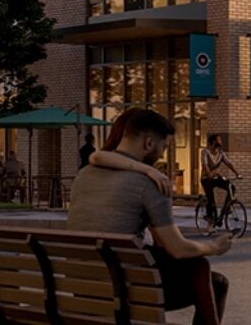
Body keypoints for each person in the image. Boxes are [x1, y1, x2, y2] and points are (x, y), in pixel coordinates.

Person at [72, 108, 231, 325]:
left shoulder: (83, 175)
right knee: (209, 275)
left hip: (82, 284)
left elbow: (97, 156)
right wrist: (214, 246)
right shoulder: (152, 183)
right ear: (148, 143)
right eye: (163, 147)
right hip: (126, 289)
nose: (162, 155)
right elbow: (178, 248)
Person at [200, 135, 239, 226]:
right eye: (219, 140)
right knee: (211, 198)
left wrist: (237, 173)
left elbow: (228, 163)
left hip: (216, 177)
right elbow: (204, 165)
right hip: (206, 179)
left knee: (231, 187)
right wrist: (209, 174)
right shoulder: (205, 152)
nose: (221, 141)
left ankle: (226, 209)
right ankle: (209, 216)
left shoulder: (220, 153)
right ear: (214, 142)